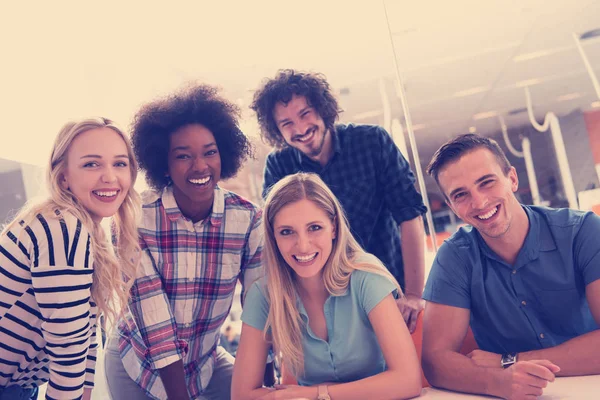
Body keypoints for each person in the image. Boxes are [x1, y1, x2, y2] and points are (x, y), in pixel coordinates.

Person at [104, 84, 263, 400]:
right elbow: (156, 326)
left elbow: (259, 309)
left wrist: (265, 388)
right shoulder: (135, 219)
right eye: (183, 156)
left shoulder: (248, 220)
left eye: (210, 152)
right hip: (138, 364)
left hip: (206, 362)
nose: (200, 166)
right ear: (163, 162)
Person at [422, 134, 600, 399]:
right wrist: (497, 382)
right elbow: (435, 362)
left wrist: (507, 361)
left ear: (512, 179)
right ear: (451, 206)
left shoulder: (583, 231)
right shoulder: (454, 257)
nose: (480, 202)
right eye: (461, 195)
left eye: (487, 182)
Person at [252, 69, 427, 332]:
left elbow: (409, 213)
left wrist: (414, 294)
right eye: (286, 123)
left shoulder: (371, 142)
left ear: (323, 109)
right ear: (277, 130)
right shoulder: (279, 166)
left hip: (390, 293)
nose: (300, 129)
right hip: (324, 309)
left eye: (305, 113)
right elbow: (277, 242)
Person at [231, 172, 422, 400]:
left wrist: (317, 394)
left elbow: (408, 381)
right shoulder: (263, 295)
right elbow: (241, 395)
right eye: (286, 232)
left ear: (333, 227)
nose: (302, 246)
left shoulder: (365, 277)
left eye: (314, 228)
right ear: (273, 237)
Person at [0, 117, 141, 400]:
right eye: (92, 164)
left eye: (120, 163)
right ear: (63, 176)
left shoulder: (88, 233)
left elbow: (83, 347)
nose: (110, 177)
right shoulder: (63, 229)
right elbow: (68, 362)